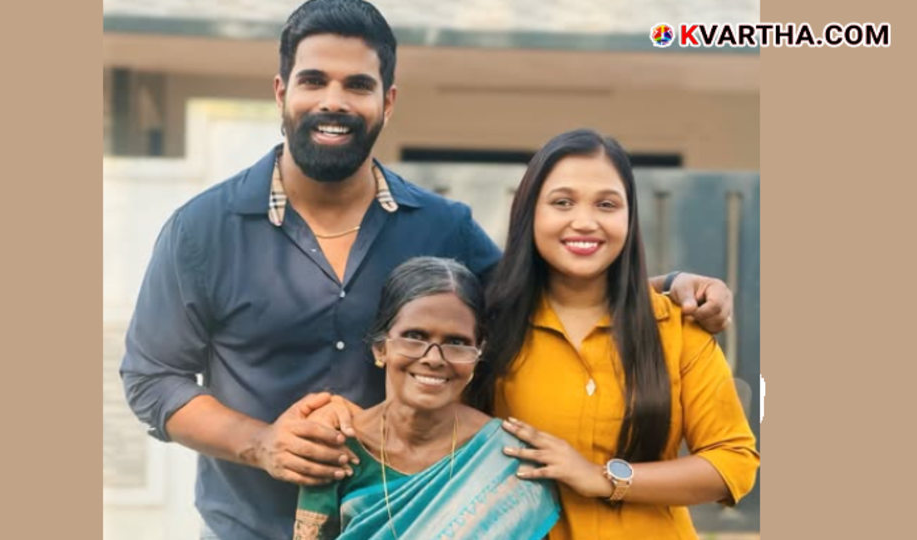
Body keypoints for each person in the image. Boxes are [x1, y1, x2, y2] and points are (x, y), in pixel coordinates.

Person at [119, 1, 734, 538]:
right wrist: (261, 444)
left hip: (420, 525)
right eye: (314, 81)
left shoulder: (442, 227)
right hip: (250, 531)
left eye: (356, 85)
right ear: (282, 92)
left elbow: (536, 298)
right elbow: (153, 380)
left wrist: (670, 287)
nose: (333, 101)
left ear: (386, 102)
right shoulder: (203, 230)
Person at [471, 129, 759, 540]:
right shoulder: (487, 328)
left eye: (607, 204)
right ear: (530, 213)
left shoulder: (677, 328)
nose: (585, 222)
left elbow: (733, 462)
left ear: (629, 217)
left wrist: (604, 478)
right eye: (562, 202)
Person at [292, 257, 560, 540]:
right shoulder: (335, 449)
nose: (433, 358)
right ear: (380, 348)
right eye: (414, 336)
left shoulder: (506, 457)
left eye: (456, 343)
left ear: (477, 354)